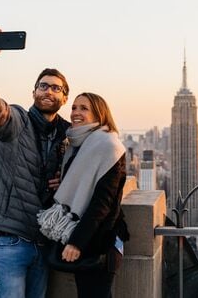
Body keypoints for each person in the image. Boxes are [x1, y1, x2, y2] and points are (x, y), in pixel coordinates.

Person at [0, 27, 70, 298]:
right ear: (34, 92)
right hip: (9, 241)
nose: (48, 91)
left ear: (64, 98)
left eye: (56, 88)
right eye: (43, 86)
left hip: (43, 243)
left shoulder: (68, 136)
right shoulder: (17, 120)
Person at [38, 92, 129, 298]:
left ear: (100, 114)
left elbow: (102, 203)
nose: (76, 112)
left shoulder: (108, 147)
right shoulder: (77, 146)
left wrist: (76, 242)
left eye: (84, 108)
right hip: (84, 235)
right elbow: (82, 186)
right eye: (74, 108)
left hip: (100, 241)